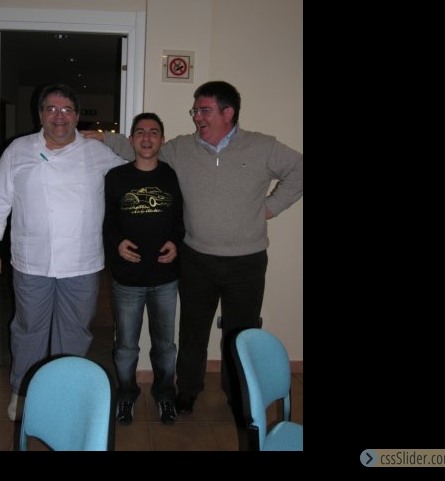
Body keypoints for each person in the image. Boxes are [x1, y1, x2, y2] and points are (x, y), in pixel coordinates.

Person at [82, 80, 303, 415]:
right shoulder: (182, 148)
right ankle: (186, 391)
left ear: (228, 113)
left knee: (241, 334)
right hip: (196, 258)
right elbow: (141, 148)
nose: (197, 116)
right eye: (195, 110)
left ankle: (238, 394)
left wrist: (271, 208)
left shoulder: (262, 146)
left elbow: (299, 169)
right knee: (192, 331)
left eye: (204, 110)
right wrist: (101, 137)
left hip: (247, 262)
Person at [0, 83, 126, 421]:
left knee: (74, 331)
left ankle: (64, 392)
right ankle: (22, 391)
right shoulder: (19, 149)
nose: (60, 116)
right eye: (52, 109)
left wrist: (111, 139)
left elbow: (137, 166)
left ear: (77, 115)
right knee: (29, 328)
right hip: (31, 260)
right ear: (40, 114)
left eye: (67, 110)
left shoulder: (96, 151)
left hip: (82, 261)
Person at [103, 113, 185, 426]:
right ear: (131, 140)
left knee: (165, 346)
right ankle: (126, 394)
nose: (147, 138)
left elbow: (180, 220)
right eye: (140, 132)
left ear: (162, 139)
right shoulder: (116, 177)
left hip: (165, 278)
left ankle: (165, 395)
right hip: (127, 279)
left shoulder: (172, 176)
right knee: (125, 346)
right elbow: (108, 221)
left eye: (153, 132)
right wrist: (117, 243)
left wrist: (175, 242)